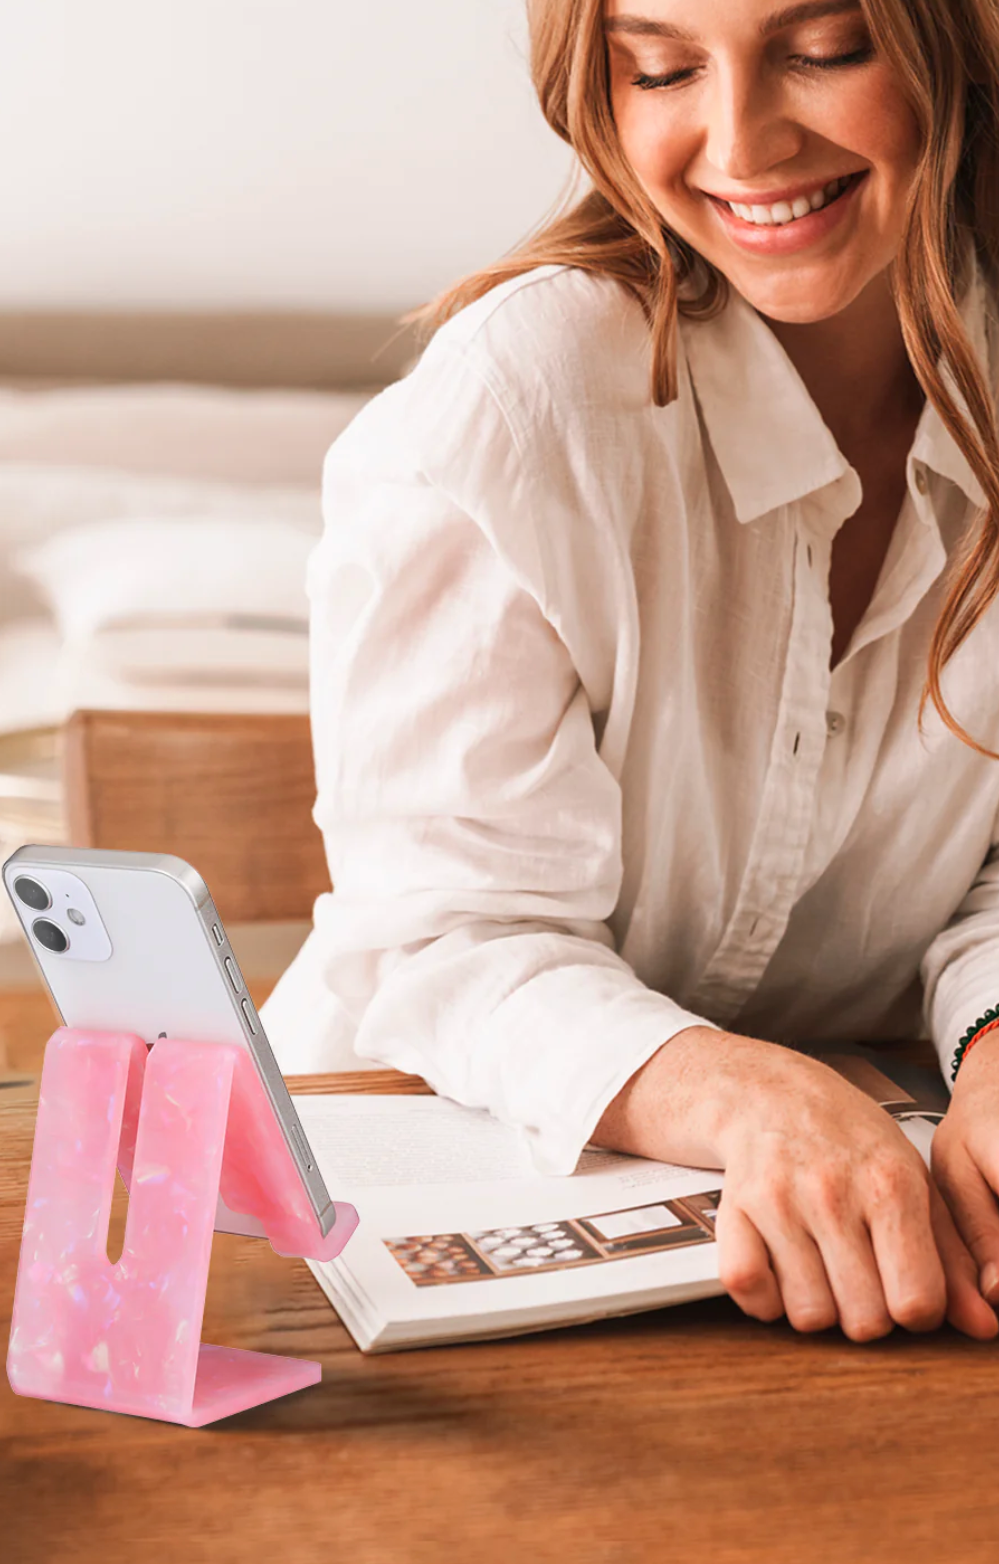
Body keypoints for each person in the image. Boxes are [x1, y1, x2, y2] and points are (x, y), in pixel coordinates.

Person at [259, 0, 999, 1344]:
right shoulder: (517, 405)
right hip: (403, 1202)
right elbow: (445, 935)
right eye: (658, 68)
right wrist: (746, 1096)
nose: (738, 142)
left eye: (821, 50)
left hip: (839, 1245)